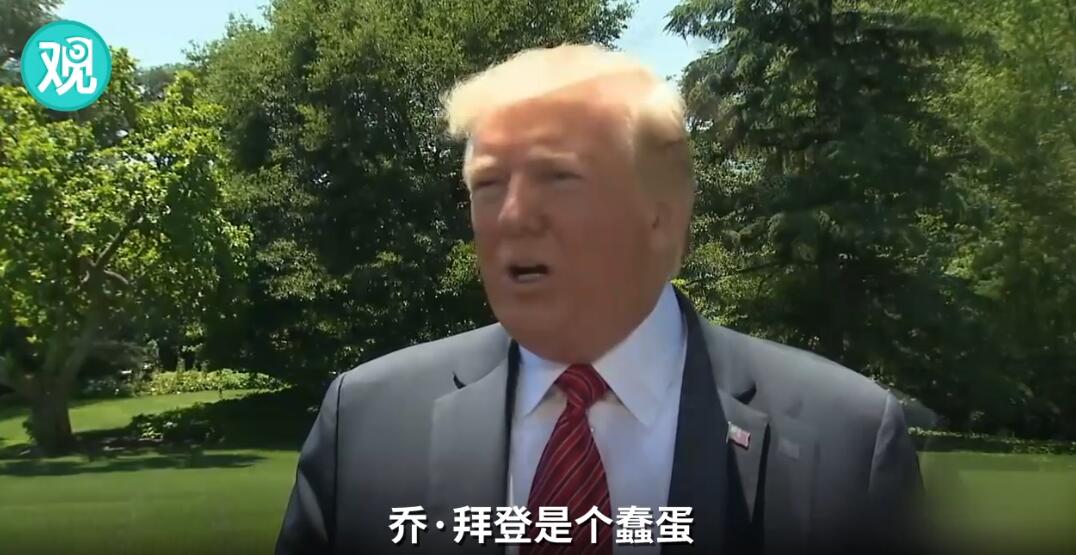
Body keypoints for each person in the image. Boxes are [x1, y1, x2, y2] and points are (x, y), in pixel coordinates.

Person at [275, 44, 924, 555]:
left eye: (559, 177)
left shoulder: (848, 440)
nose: (513, 216)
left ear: (662, 215)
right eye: (489, 185)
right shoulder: (365, 422)